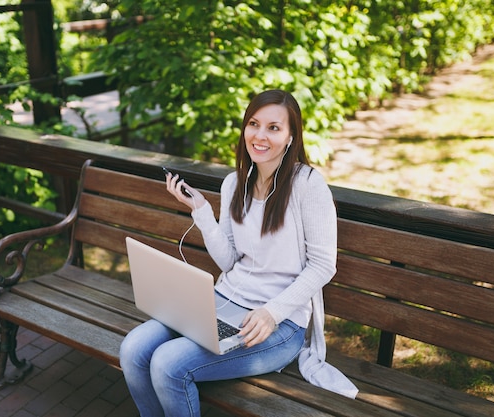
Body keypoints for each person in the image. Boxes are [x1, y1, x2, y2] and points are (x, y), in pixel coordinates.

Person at [119, 89, 357, 417]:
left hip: (279, 324)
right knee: (133, 349)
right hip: (222, 303)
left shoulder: (308, 185)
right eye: (254, 124)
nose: (260, 135)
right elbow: (229, 261)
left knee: (168, 365)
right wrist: (201, 211)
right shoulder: (234, 183)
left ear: (291, 137)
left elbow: (323, 266)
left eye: (274, 128)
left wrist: (271, 312)